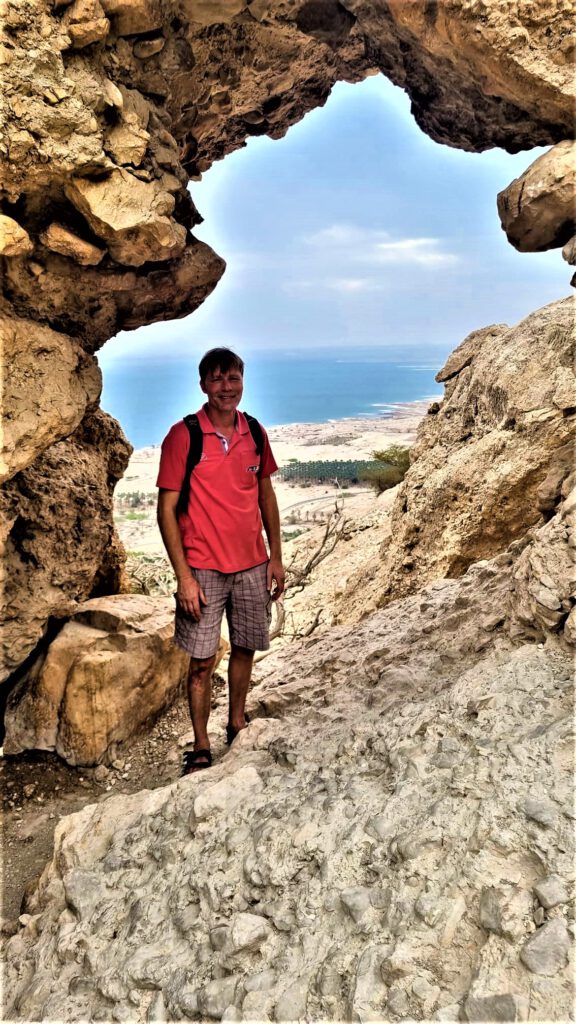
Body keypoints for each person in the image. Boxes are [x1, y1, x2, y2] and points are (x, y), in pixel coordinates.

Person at [156, 348, 285, 775]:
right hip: (203, 568)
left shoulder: (255, 432)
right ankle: (200, 743)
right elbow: (166, 509)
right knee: (201, 662)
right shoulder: (184, 436)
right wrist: (184, 577)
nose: (226, 388)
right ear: (203, 385)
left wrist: (276, 558)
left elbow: (265, 495)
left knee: (245, 647)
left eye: (233, 379)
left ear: (242, 381)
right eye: (217, 379)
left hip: (251, 564)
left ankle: (236, 722)